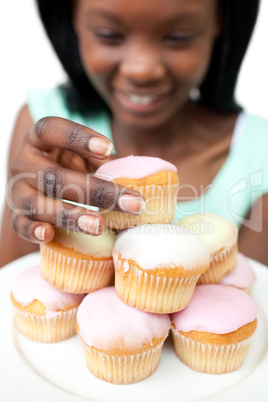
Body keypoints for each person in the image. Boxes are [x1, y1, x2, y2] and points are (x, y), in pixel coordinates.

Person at [1, 0, 268, 268]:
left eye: (178, 38)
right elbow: (14, 289)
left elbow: (251, 299)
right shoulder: (46, 130)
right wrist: (31, 219)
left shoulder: (259, 154)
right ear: (71, 18)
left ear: (220, 21)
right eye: (109, 35)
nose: (141, 69)